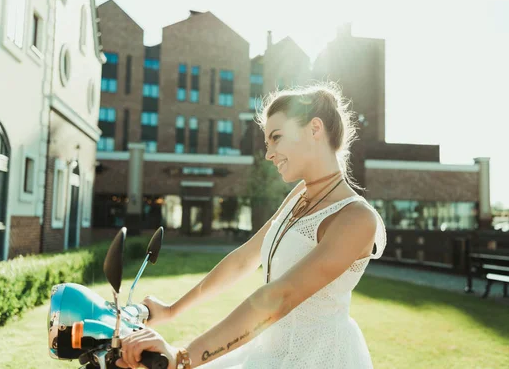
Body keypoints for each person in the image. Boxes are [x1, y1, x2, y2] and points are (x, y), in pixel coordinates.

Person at [116, 82, 387, 369]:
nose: (269, 154)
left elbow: (281, 296)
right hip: (267, 351)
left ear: (315, 129)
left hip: (320, 359)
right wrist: (171, 310)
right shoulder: (299, 196)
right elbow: (243, 259)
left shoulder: (357, 218)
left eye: (277, 137)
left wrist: (183, 358)